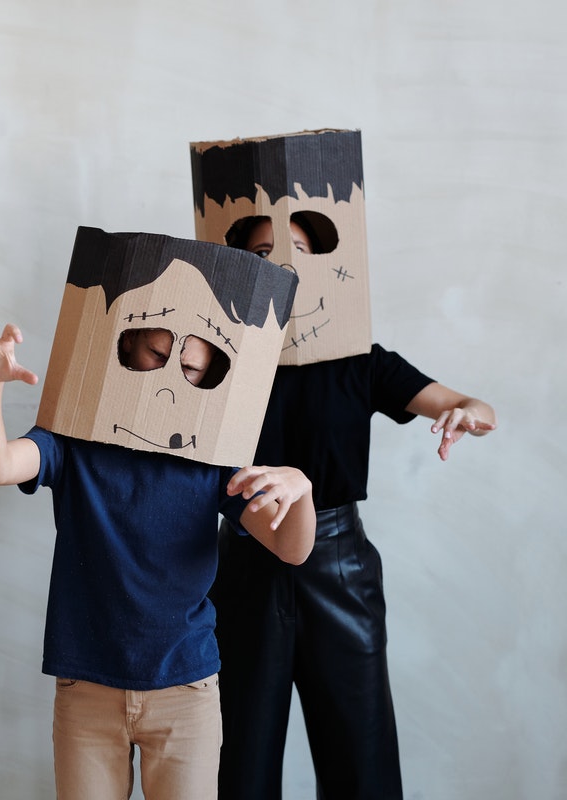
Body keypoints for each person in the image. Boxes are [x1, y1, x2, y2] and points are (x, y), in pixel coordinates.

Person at [0, 309, 316, 800]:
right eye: (157, 355)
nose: (171, 380)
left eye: (190, 370)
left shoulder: (210, 457)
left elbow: (291, 549)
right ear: (126, 347)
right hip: (87, 687)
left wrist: (301, 490)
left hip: (185, 690)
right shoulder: (73, 439)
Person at [211, 215, 498, 799]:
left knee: (359, 761)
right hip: (241, 564)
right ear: (241, 264)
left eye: (298, 249)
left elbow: (474, 405)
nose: (282, 264)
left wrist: (466, 415)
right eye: (263, 252)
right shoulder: (214, 361)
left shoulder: (358, 359)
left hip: (339, 567)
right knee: (237, 763)